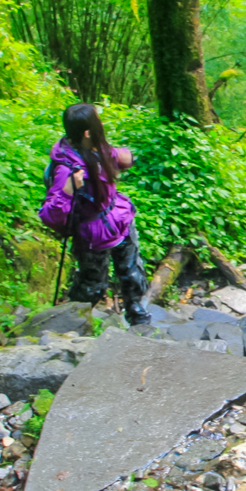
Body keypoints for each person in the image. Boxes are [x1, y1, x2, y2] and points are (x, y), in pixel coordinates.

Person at [38, 103, 151, 325]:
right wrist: (69, 188)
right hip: (92, 235)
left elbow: (118, 157)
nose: (102, 123)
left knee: (132, 272)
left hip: (120, 219)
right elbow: (49, 215)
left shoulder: (97, 149)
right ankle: (71, 324)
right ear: (88, 132)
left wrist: (125, 156)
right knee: (93, 286)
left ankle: (138, 316)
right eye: (98, 120)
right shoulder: (66, 169)